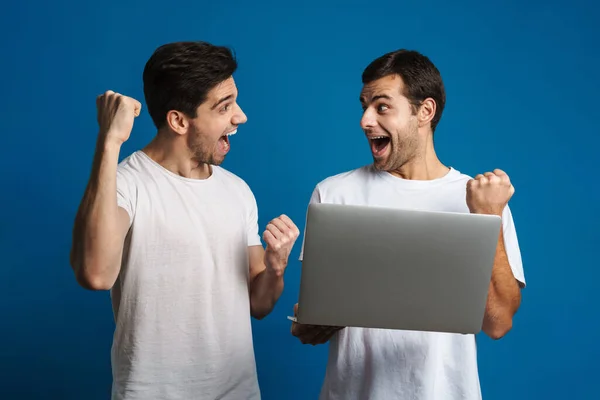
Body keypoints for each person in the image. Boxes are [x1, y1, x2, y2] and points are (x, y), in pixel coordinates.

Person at [69, 41, 300, 400]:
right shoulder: (125, 184)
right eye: (225, 107)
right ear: (178, 120)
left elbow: (259, 305)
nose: (240, 117)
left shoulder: (237, 190)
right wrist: (109, 140)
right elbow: (95, 274)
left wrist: (276, 268)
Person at [291, 49, 526, 400]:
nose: (365, 121)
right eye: (364, 106)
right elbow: (310, 325)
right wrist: (313, 322)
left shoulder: (481, 200)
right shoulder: (334, 193)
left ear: (425, 112)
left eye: (382, 106)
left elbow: (498, 323)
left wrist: (488, 217)